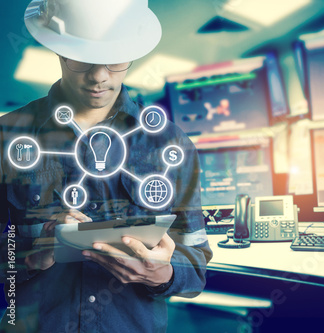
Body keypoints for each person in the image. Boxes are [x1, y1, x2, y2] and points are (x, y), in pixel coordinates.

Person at [0, 1, 212, 332]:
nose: (99, 76)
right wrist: (29, 257)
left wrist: (163, 274)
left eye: (115, 59)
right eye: (82, 58)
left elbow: (196, 265)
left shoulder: (171, 143)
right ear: (57, 49)